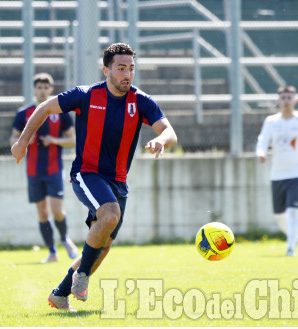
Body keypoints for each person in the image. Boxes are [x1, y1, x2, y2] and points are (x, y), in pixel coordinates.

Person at [11, 43, 177, 312]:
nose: (127, 74)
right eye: (121, 68)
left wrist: (161, 140)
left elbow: (169, 131)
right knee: (109, 216)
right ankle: (83, 276)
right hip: (87, 173)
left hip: (119, 181)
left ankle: (60, 294)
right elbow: (43, 109)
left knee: (103, 245)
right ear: (106, 70)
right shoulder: (85, 95)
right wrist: (22, 142)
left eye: (131, 69)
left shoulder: (141, 101)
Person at [10, 73, 79, 263]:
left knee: (57, 210)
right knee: (42, 212)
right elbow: (12, 139)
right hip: (33, 171)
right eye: (38, 87)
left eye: (45, 87)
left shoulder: (60, 113)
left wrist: (54, 140)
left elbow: (73, 139)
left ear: (51, 90)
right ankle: (52, 252)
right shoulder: (23, 113)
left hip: (54, 169)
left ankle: (65, 239)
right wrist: (23, 141)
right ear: (34, 90)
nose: (41, 91)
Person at [256, 85, 298, 257]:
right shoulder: (271, 122)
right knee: (279, 215)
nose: (286, 101)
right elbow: (262, 140)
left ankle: (291, 247)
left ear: (295, 101)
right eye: (283, 98)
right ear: (278, 101)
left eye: (289, 98)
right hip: (277, 173)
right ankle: (294, 235)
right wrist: (261, 152)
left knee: (293, 209)